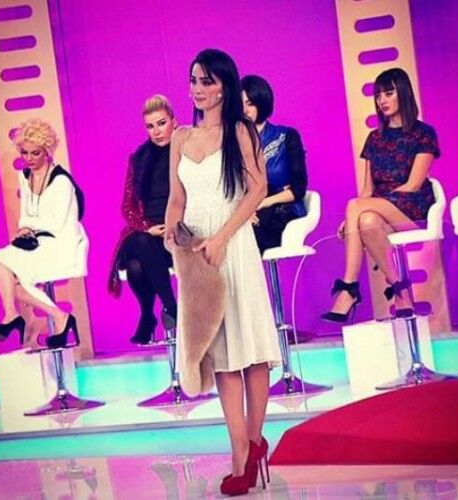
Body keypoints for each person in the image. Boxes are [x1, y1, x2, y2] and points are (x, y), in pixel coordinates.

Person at [164, 49, 281, 496]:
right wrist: (173, 234)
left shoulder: (239, 130)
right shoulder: (180, 136)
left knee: (249, 347)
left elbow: (258, 188)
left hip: (233, 246)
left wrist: (222, 238)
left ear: (225, 86)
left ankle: (254, 441)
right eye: (194, 80)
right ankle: (240, 453)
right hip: (195, 251)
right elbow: (177, 197)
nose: (198, 89)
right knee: (221, 355)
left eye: (207, 81)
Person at [321, 68, 440, 323]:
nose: (382, 100)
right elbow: (367, 190)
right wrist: (352, 218)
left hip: (412, 208)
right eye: (378, 95)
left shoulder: (424, 133)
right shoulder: (374, 138)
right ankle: (400, 291)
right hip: (379, 208)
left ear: (403, 93)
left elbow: (413, 185)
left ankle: (349, 288)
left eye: (388, 93)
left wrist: (363, 206)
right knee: (366, 221)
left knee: (357, 207)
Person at [0, 118, 85, 348]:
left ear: (47, 151)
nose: (29, 158)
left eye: (35, 153)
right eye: (24, 153)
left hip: (63, 242)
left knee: (16, 279)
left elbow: (57, 223)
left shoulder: (61, 181)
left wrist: (31, 226)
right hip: (38, 241)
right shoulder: (25, 176)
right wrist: (24, 228)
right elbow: (25, 214)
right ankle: (13, 314)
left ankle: (53, 318)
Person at [108, 95, 178, 344]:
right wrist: (149, 228)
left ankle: (148, 316)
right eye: (150, 126)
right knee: (139, 242)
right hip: (148, 232)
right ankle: (171, 306)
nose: (156, 132)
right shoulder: (138, 158)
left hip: (179, 230)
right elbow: (127, 207)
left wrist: (173, 225)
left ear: (174, 121)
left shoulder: (188, 150)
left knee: (136, 266)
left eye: (161, 123)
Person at [241, 75, 308, 253]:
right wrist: (246, 213)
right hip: (250, 216)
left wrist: (262, 203)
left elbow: (298, 189)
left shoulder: (287, 136)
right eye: (240, 104)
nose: (244, 110)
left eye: (250, 103)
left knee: (244, 238)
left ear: (262, 102)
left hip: (283, 212)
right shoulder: (234, 144)